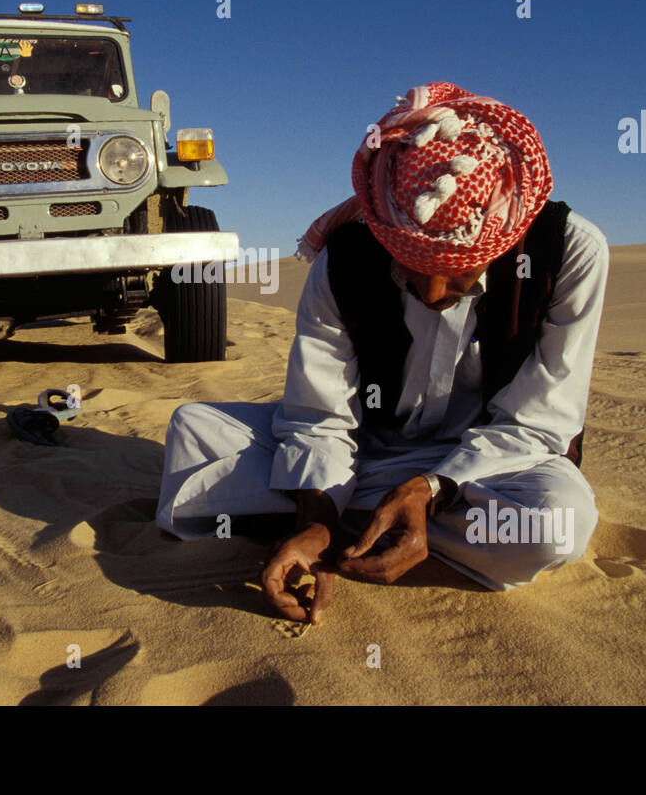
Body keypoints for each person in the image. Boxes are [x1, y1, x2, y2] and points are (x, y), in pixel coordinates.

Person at [157, 82, 609, 623]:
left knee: (556, 522)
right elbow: (318, 414)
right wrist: (318, 514)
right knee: (194, 432)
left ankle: (369, 519)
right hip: (363, 451)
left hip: (488, 466)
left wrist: (431, 487)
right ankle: (352, 526)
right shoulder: (346, 254)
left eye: (461, 271)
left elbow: (540, 422)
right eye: (413, 266)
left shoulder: (571, 252)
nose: (435, 293)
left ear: (504, 241)